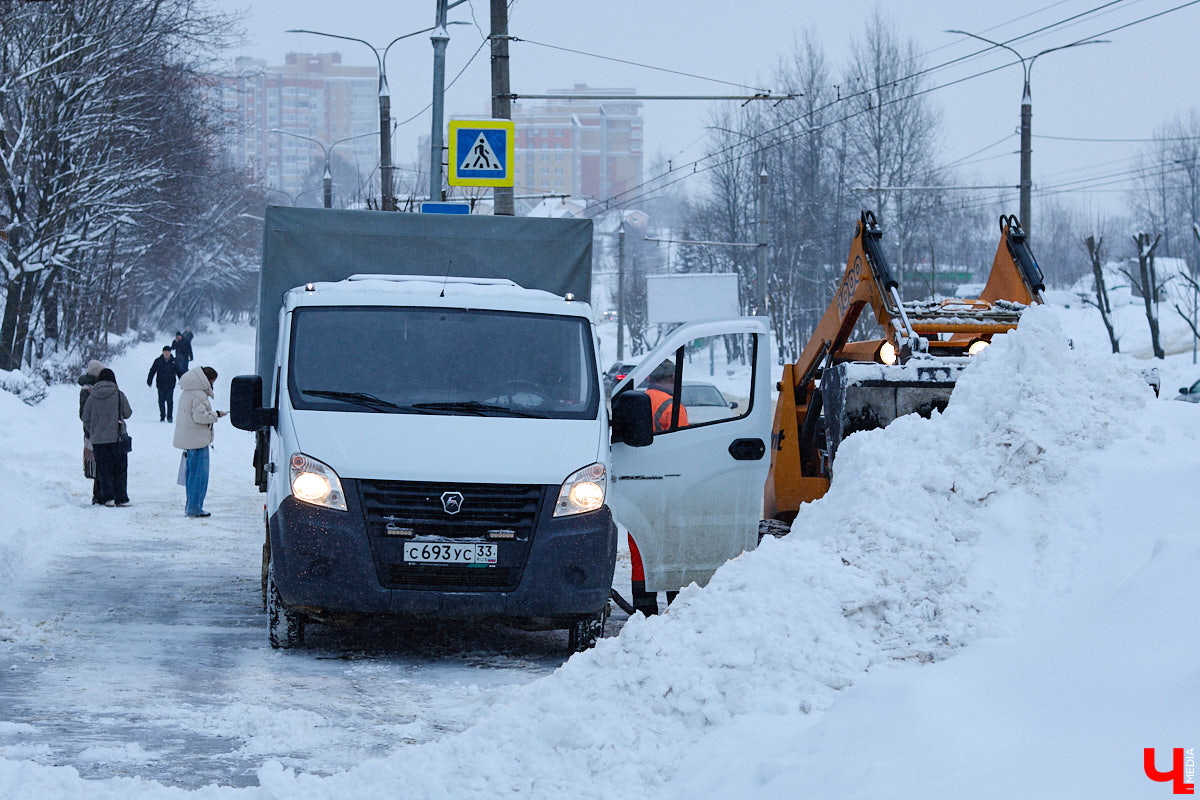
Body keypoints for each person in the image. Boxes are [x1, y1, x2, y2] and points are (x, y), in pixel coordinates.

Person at [629, 359, 688, 617]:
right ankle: (675, 611)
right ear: (672, 379)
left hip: (638, 489)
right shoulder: (672, 407)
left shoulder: (635, 403)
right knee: (672, 549)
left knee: (640, 551)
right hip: (667, 489)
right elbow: (682, 450)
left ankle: (644, 614)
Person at [174, 365, 226, 518]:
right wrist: (216, 415)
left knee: (191, 476)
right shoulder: (199, 395)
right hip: (198, 440)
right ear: (208, 380)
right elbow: (199, 416)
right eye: (213, 381)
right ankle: (195, 509)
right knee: (199, 477)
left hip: (190, 440)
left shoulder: (188, 391)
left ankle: (191, 506)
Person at [81, 368, 132, 507]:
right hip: (117, 438)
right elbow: (128, 413)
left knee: (104, 470)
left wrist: (93, 430)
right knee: (120, 469)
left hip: (98, 440)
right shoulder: (119, 395)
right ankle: (121, 498)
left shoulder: (92, 397)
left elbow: (85, 418)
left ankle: (108, 498)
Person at [77, 359, 107, 504]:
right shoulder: (87, 389)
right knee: (96, 461)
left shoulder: (94, 387)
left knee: (99, 461)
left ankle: (99, 493)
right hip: (92, 431)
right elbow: (83, 413)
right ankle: (97, 495)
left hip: (97, 429)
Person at [146, 345, 182, 422]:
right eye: (165, 352)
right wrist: (149, 380)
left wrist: (182, 380)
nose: (166, 353)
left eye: (168, 352)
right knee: (161, 401)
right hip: (160, 384)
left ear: (170, 353)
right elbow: (152, 371)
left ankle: (169, 417)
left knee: (169, 400)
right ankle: (162, 416)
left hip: (170, 384)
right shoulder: (158, 361)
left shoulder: (174, 361)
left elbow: (179, 372)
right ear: (163, 352)